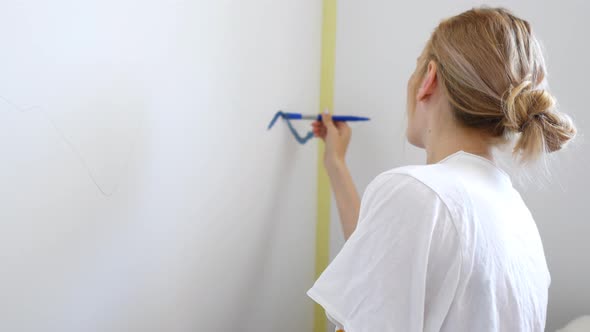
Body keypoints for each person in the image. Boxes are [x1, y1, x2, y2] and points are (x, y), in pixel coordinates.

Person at [306, 6, 576, 332]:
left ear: (428, 79)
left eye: (417, 66)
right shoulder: (514, 214)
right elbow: (386, 262)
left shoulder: (418, 194)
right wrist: (336, 164)